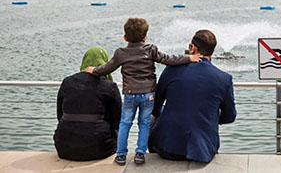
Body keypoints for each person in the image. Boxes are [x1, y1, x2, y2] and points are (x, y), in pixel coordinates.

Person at [85, 18, 201, 165]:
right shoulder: (150, 49)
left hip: (130, 94)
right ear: (145, 37)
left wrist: (93, 70)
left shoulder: (121, 53)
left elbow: (107, 68)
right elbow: (168, 59)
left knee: (125, 123)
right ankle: (140, 153)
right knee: (144, 123)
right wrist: (188, 58)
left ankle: (121, 155)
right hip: (148, 94)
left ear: (125, 37)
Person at [148, 29, 236, 163]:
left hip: (165, 148)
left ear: (193, 48)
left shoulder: (171, 70)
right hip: (202, 151)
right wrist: (208, 116)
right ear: (212, 51)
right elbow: (229, 117)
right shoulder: (224, 79)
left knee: (154, 115)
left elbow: (155, 106)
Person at [54, 46, 122, 161]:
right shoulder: (109, 86)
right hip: (99, 148)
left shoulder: (67, 82)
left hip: (64, 147)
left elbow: (60, 114)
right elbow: (117, 119)